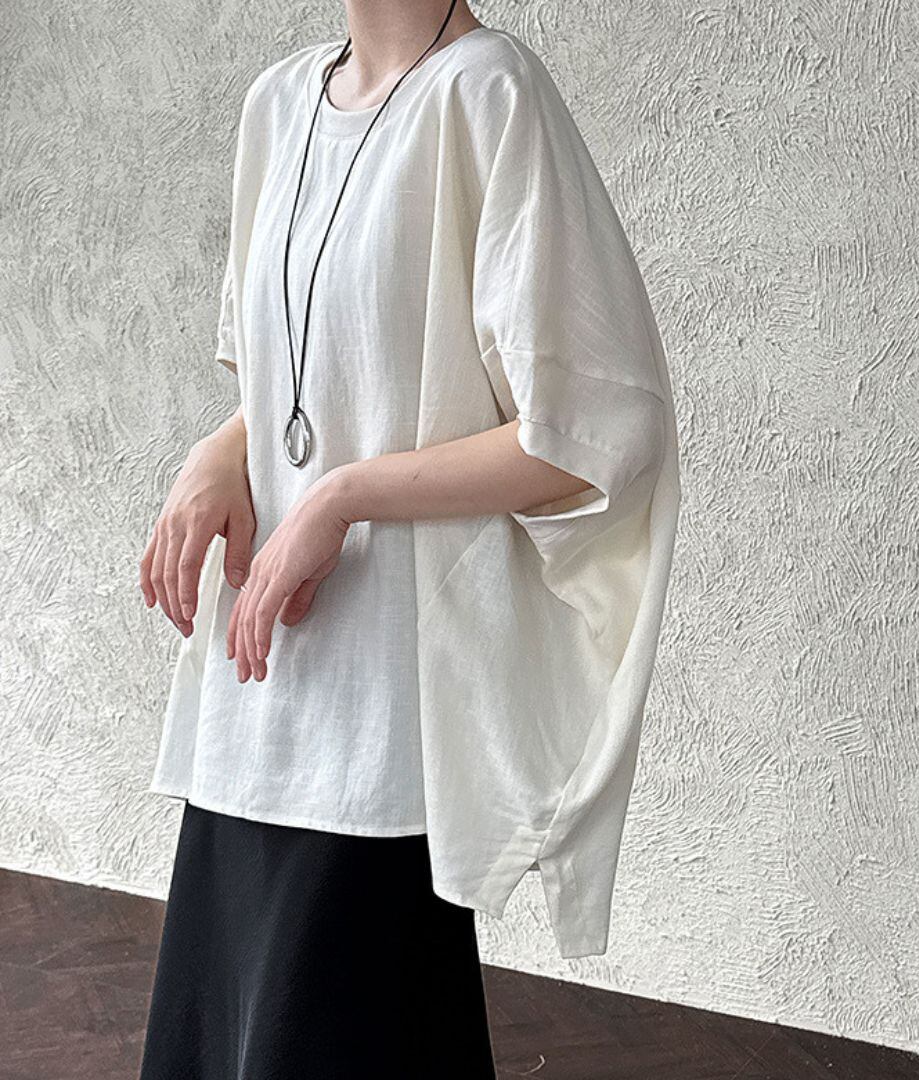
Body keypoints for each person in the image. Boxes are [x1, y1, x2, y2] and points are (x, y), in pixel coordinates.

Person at [137, 0, 680, 1075]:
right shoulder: (278, 104)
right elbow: (311, 380)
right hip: (256, 700)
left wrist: (340, 500)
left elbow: (592, 434)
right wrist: (220, 451)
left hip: (385, 714)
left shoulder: (489, 95)